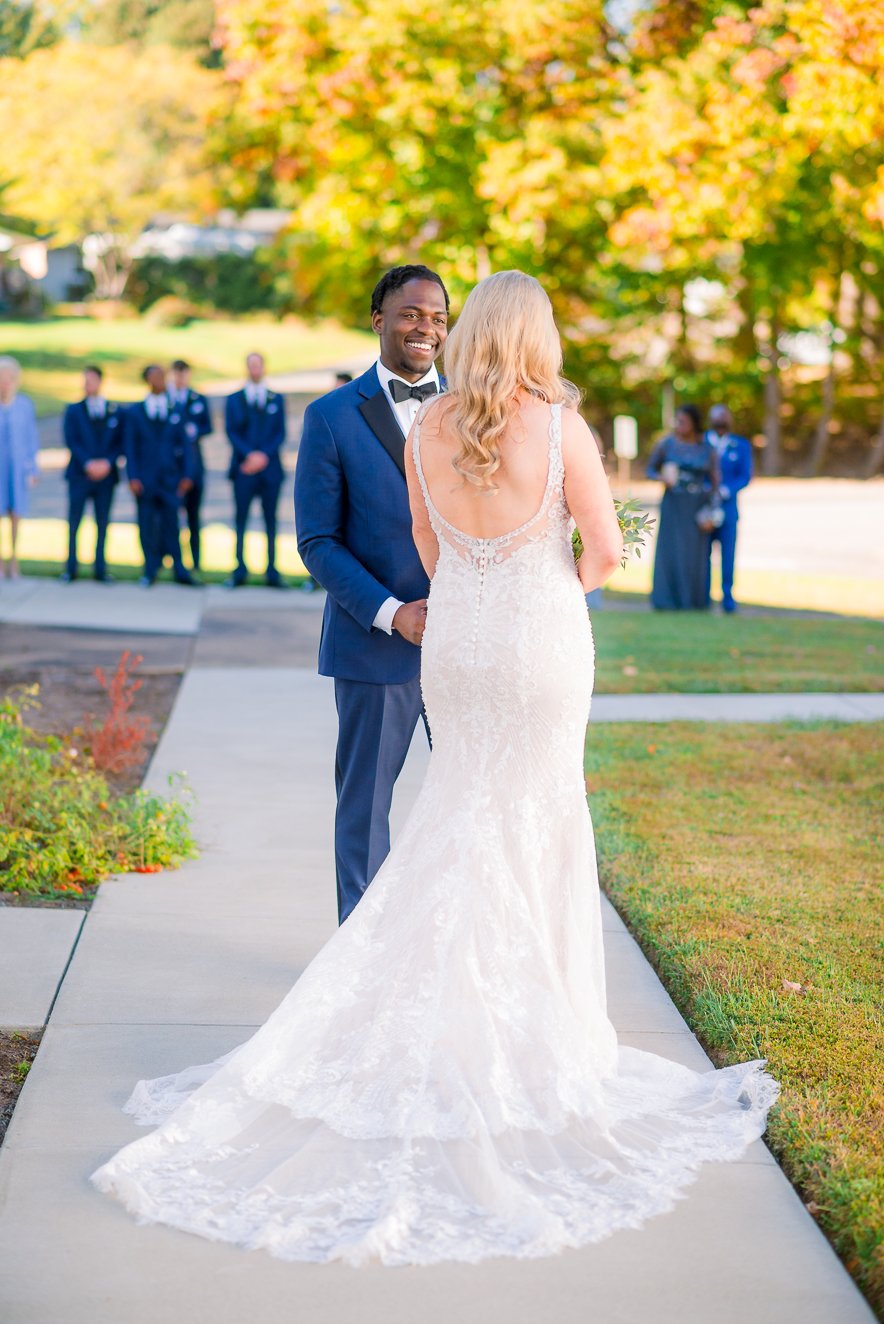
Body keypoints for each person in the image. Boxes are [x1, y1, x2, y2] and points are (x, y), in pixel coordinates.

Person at [91, 270, 778, 1267]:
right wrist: (547, 576)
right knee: (535, 818)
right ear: (535, 334)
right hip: (538, 645)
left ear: (466, 333)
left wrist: (486, 581)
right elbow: (599, 556)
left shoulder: (427, 433)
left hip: (455, 642)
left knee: (458, 814)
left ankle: (433, 1003)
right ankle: (536, 1025)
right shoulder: (559, 426)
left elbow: (428, 546)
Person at [295, 263, 448, 924]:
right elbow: (317, 541)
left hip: (469, 647)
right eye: (412, 313)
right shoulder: (331, 417)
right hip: (374, 648)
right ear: (379, 318)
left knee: (476, 805)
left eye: (439, 317)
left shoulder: (474, 409)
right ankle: (357, 963)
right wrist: (393, 615)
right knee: (365, 811)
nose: (427, 328)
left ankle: (456, 945)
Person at [124, 365, 196, 587]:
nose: (160, 380)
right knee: (146, 524)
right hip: (145, 479)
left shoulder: (176, 408)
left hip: (170, 477)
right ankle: (150, 568)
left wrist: (187, 474)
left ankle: (179, 568)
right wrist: (132, 476)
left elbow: (186, 444)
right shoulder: (136, 411)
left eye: (162, 376)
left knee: (172, 524)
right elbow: (130, 447)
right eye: (155, 376)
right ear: (147, 380)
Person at [646, 403, 719, 610]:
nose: (679, 425)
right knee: (671, 549)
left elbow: (715, 481)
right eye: (677, 421)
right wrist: (663, 477)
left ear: (694, 423)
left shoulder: (707, 449)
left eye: (683, 421)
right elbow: (650, 470)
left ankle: (694, 600)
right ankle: (666, 600)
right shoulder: (667, 444)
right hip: (673, 503)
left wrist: (713, 510)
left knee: (695, 553)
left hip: (697, 505)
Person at [225, 353, 286, 587]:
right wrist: (249, 455)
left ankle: (272, 571)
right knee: (241, 519)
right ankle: (239, 569)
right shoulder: (234, 399)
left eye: (258, 365)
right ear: (246, 368)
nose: (255, 369)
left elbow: (279, 433)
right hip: (243, 468)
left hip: (270, 470)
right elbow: (231, 432)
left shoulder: (276, 398)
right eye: (251, 365)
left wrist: (262, 456)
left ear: (264, 367)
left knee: (270, 520)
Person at [61, 366, 123, 582]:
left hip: (106, 476)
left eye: (90, 380)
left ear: (100, 381)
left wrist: (107, 462)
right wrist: (88, 463)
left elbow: (120, 442)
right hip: (80, 474)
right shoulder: (73, 410)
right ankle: (71, 568)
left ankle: (100, 568)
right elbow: (71, 440)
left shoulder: (115, 410)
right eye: (84, 380)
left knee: (103, 522)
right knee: (74, 522)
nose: (86, 385)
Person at [706, 403, 753, 613]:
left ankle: (727, 595)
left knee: (728, 553)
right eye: (717, 416)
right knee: (702, 553)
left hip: (728, 507)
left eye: (724, 416)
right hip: (704, 507)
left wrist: (727, 490)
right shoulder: (703, 442)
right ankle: (703, 594)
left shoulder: (740, 445)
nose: (721, 420)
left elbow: (745, 476)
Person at [168, 359, 213, 576]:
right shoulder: (167, 400)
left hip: (194, 465)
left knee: (194, 516)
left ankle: (196, 560)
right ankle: (172, 559)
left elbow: (207, 426)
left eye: (183, 373)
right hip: (172, 467)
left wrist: (194, 430)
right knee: (171, 516)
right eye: (176, 374)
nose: (180, 378)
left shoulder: (197, 399)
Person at [0, 355, 39, 580]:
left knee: (16, 512)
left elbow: (31, 439)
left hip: (17, 467)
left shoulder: (24, 405)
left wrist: (32, 469)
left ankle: (14, 560)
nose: (5, 382)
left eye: (8, 378)